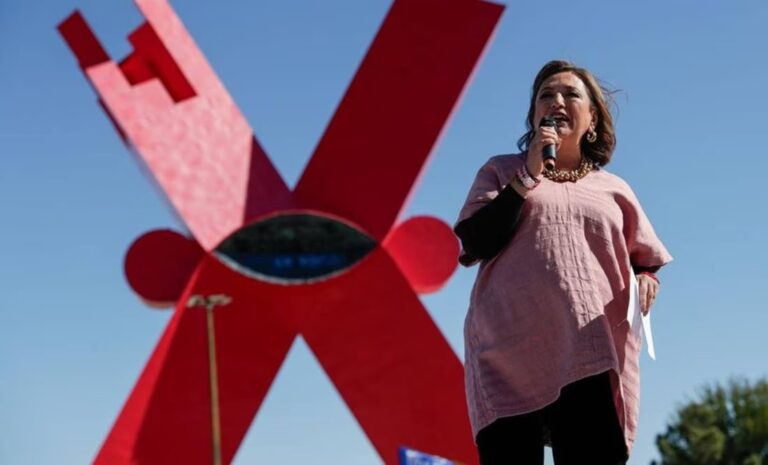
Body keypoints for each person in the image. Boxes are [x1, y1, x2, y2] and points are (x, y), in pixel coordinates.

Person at [454, 60, 672, 465]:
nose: (556, 101)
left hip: (590, 349)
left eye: (570, 94)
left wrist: (646, 277)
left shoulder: (614, 189)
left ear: (592, 120)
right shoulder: (502, 170)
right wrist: (527, 177)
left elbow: (644, 257)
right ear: (534, 116)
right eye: (546, 95)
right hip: (509, 353)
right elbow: (475, 240)